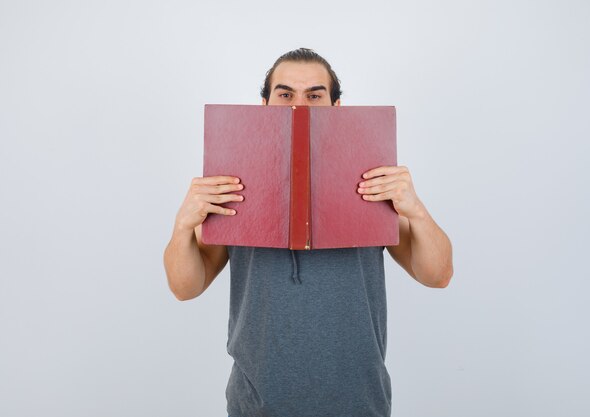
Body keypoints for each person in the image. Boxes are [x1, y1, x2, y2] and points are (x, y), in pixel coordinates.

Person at [164, 48, 453, 417]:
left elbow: (438, 275)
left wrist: (416, 209)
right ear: (264, 104)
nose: (299, 106)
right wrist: (182, 225)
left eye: (314, 95)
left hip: (359, 405)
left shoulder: (373, 178)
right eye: (285, 95)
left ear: (336, 106)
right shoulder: (230, 181)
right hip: (256, 406)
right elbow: (185, 287)